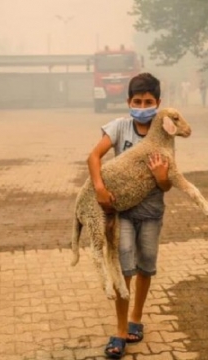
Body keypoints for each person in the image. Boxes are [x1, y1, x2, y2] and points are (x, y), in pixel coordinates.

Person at [87, 72, 172, 359]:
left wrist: (162, 178)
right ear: (128, 101)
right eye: (137, 101)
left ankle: (137, 317)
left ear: (158, 103)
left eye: (149, 101)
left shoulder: (164, 134)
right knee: (125, 265)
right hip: (120, 211)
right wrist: (99, 188)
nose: (143, 106)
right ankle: (121, 331)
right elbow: (93, 157)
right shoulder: (119, 127)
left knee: (146, 266)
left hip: (151, 214)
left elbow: (169, 182)